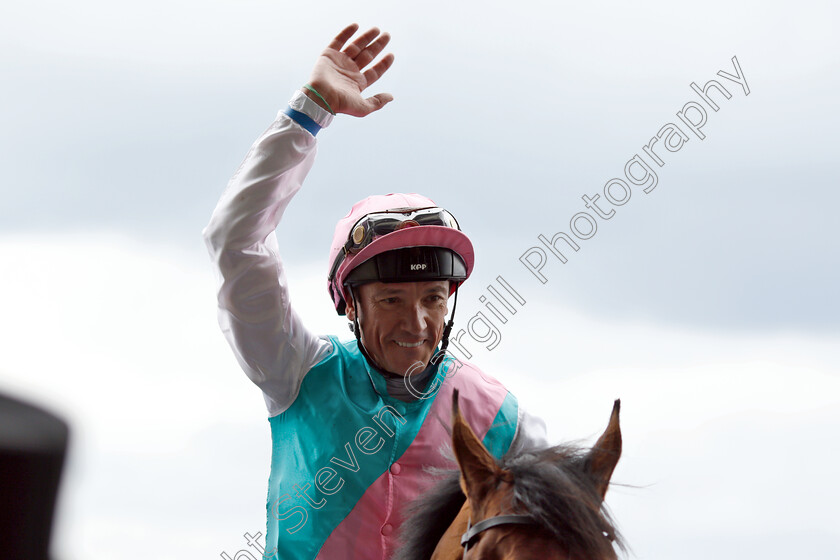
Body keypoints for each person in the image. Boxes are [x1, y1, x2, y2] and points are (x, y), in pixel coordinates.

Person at [203, 24, 547, 560]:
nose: (416, 323)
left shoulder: (504, 418)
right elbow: (234, 239)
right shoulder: (294, 370)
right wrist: (311, 109)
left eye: (433, 297)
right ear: (350, 305)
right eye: (391, 300)